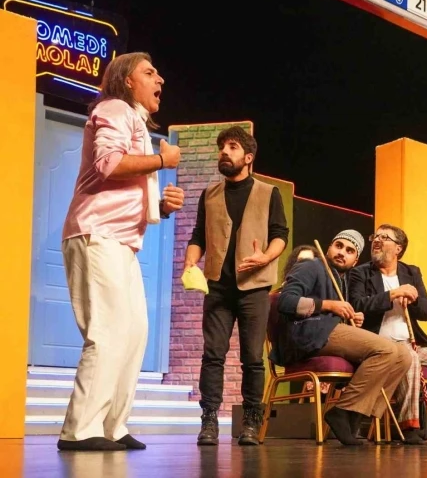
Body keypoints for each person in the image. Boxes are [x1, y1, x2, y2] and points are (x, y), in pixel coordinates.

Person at [58, 52, 184, 451]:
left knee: (134, 332)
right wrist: (162, 160)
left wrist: (161, 206)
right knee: (108, 331)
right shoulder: (114, 108)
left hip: (120, 240)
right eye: (149, 72)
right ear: (127, 80)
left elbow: (124, 183)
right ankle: (81, 429)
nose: (159, 78)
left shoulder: (135, 121)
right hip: (97, 232)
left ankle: (112, 425)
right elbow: (109, 164)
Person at [184, 126, 289, 446]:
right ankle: (209, 420)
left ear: (248, 157)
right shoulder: (209, 194)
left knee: (253, 358)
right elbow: (198, 236)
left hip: (254, 287)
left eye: (232, 147)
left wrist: (264, 257)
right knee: (212, 355)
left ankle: (251, 422)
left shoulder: (268, 193)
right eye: (221, 147)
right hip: (218, 286)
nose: (224, 152)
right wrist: (190, 262)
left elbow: (280, 235)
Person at [269, 230, 412, 445]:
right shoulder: (311, 266)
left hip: (326, 332)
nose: (342, 253)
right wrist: (328, 305)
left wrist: (351, 317)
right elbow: (286, 302)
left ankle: (356, 416)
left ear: (355, 260)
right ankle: (344, 411)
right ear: (329, 248)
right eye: (338, 246)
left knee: (403, 356)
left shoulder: (341, 279)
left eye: (349, 250)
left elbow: (335, 315)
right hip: (306, 334)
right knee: (387, 349)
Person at [348, 224, 427, 445]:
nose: (377, 240)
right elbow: (357, 304)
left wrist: (413, 299)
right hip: (379, 345)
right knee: (409, 357)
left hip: (410, 342)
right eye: (376, 236)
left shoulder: (411, 272)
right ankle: (409, 425)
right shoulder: (361, 273)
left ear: (398, 248)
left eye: (385, 237)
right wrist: (393, 294)